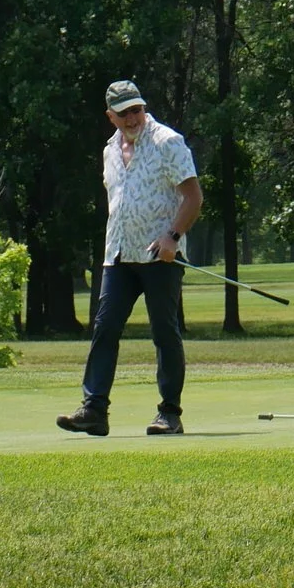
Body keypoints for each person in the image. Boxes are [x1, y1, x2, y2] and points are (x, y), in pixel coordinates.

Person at [58, 79, 202, 437]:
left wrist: (172, 236)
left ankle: (169, 413)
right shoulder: (109, 150)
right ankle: (94, 409)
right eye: (124, 113)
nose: (133, 117)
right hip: (119, 254)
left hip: (160, 256)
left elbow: (193, 197)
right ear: (111, 116)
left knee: (164, 332)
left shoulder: (168, 142)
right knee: (105, 328)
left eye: (137, 109)